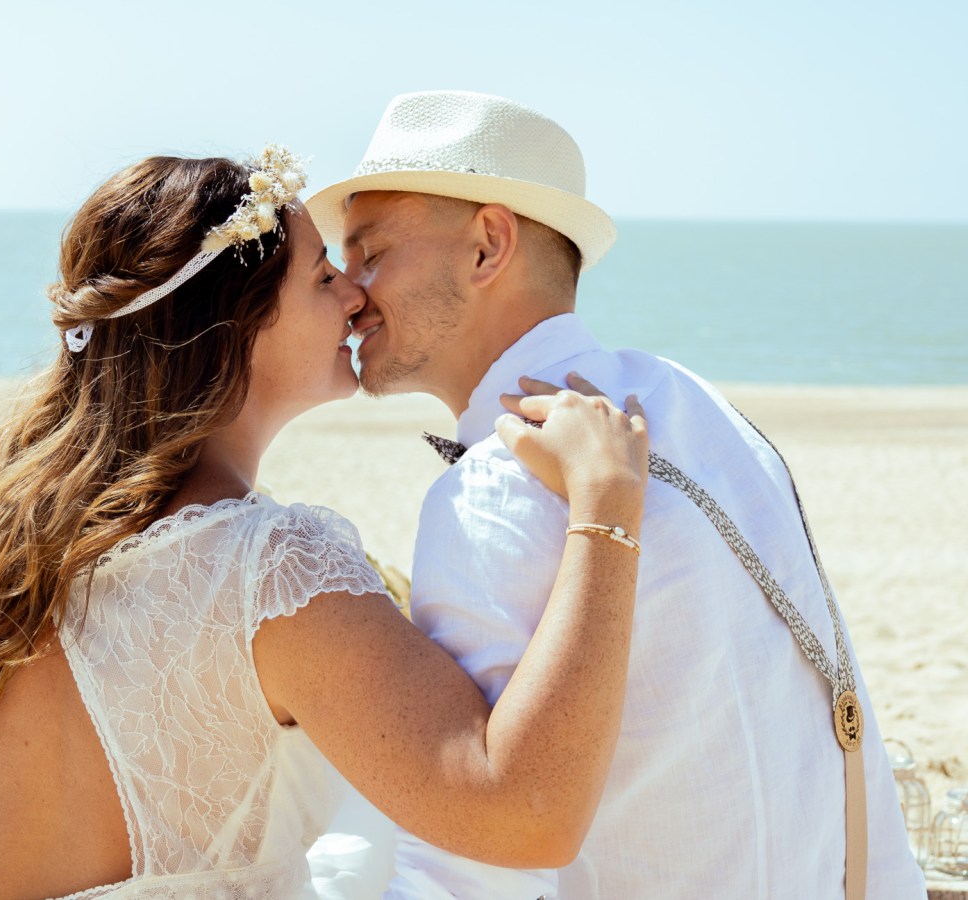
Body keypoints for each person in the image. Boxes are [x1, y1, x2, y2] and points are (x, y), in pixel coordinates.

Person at [0, 146, 650, 899]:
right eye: (319, 276)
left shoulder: (41, 530)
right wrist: (605, 509)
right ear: (237, 325)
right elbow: (524, 817)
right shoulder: (270, 570)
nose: (354, 294)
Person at [306, 90, 927, 899]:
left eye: (372, 252)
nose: (350, 292)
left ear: (489, 246)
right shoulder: (700, 404)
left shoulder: (495, 486)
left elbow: (472, 868)